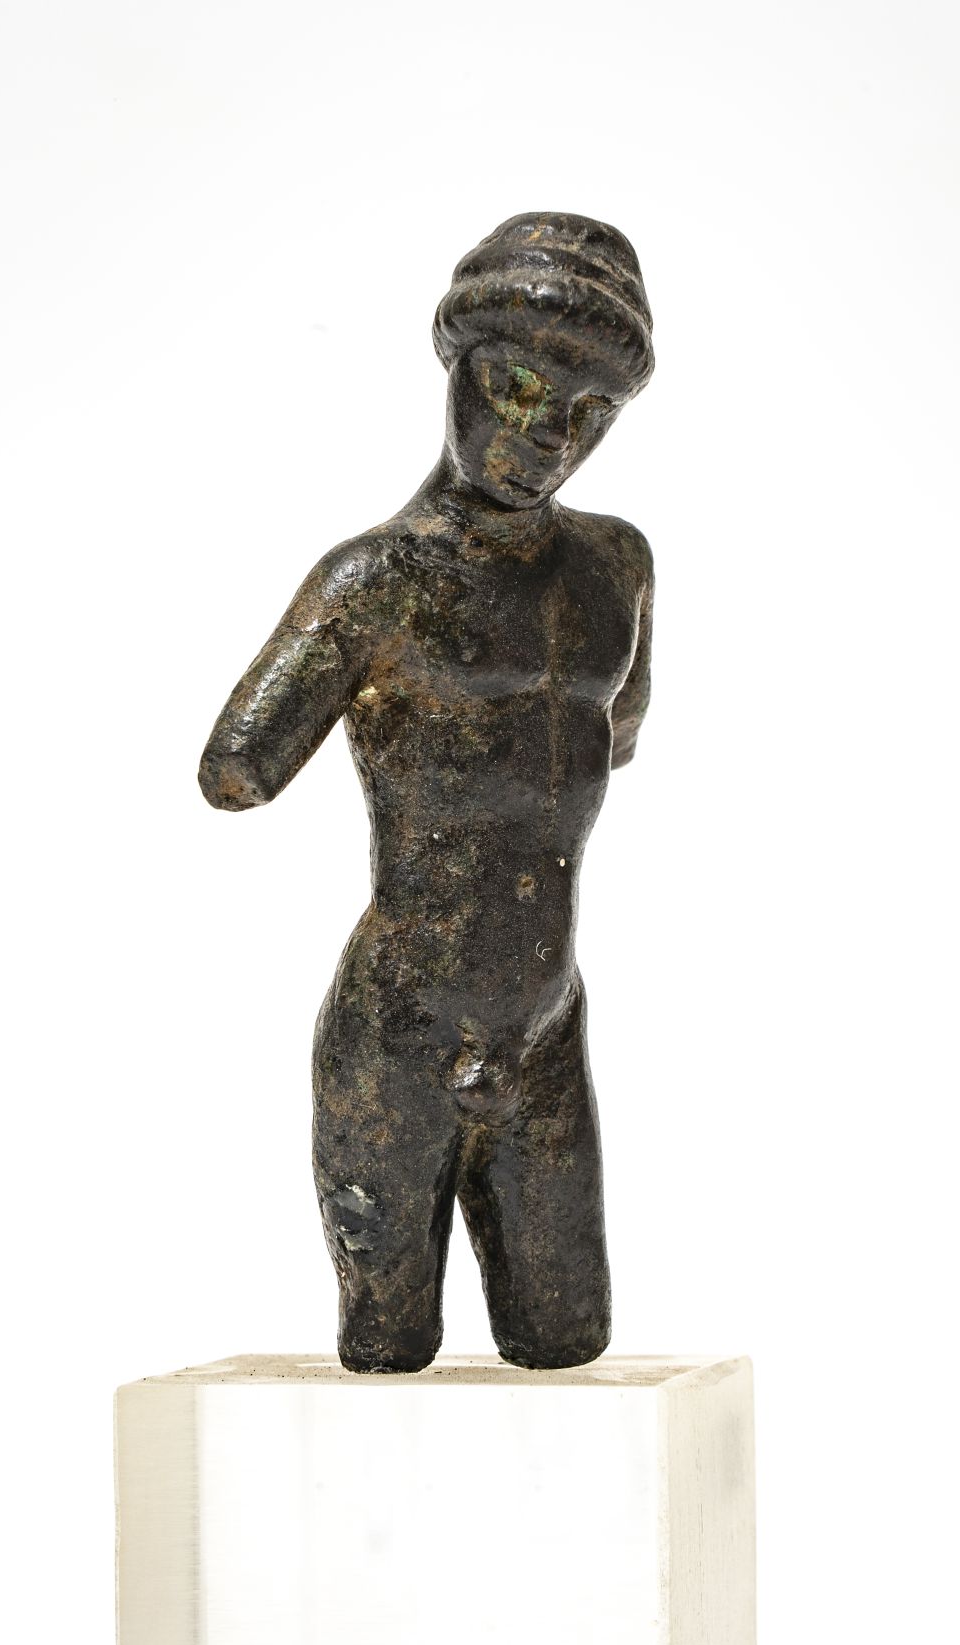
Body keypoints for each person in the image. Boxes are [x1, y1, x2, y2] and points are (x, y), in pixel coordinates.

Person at [199, 213, 655, 1373]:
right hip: (401, 1032)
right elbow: (237, 764)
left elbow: (620, 732)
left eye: (588, 411)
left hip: (544, 1030)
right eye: (517, 385)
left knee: (570, 1341)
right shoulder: (376, 582)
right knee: (387, 1354)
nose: (547, 435)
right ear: (455, 361)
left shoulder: (616, 572)